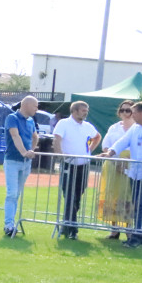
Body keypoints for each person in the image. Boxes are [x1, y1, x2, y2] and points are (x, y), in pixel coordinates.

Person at [104, 100, 142, 248]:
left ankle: (138, 237)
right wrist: (110, 152)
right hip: (135, 172)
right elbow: (123, 141)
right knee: (137, 205)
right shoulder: (135, 128)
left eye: (134, 113)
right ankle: (137, 237)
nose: (132, 116)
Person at [52, 101, 100, 239]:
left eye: (87, 110)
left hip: (83, 165)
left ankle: (66, 226)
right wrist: (60, 155)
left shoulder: (87, 126)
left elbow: (97, 137)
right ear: (74, 111)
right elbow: (57, 140)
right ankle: (72, 229)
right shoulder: (63, 123)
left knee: (77, 197)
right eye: (83, 110)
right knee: (69, 196)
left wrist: (89, 151)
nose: (86, 112)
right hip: (69, 165)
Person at [2, 96, 39, 237]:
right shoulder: (12, 118)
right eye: (35, 106)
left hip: (25, 163)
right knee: (12, 193)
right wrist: (24, 152)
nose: (37, 109)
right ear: (27, 105)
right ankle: (9, 225)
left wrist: (31, 150)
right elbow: (15, 135)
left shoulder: (31, 121)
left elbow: (35, 137)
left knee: (16, 194)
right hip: (12, 160)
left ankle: (11, 223)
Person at [99, 100, 135, 239]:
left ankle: (129, 230)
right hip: (113, 165)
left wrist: (126, 162)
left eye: (128, 110)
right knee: (112, 197)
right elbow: (106, 146)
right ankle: (114, 230)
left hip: (130, 165)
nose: (125, 113)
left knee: (128, 198)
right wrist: (115, 161)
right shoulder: (114, 128)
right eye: (123, 110)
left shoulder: (137, 128)